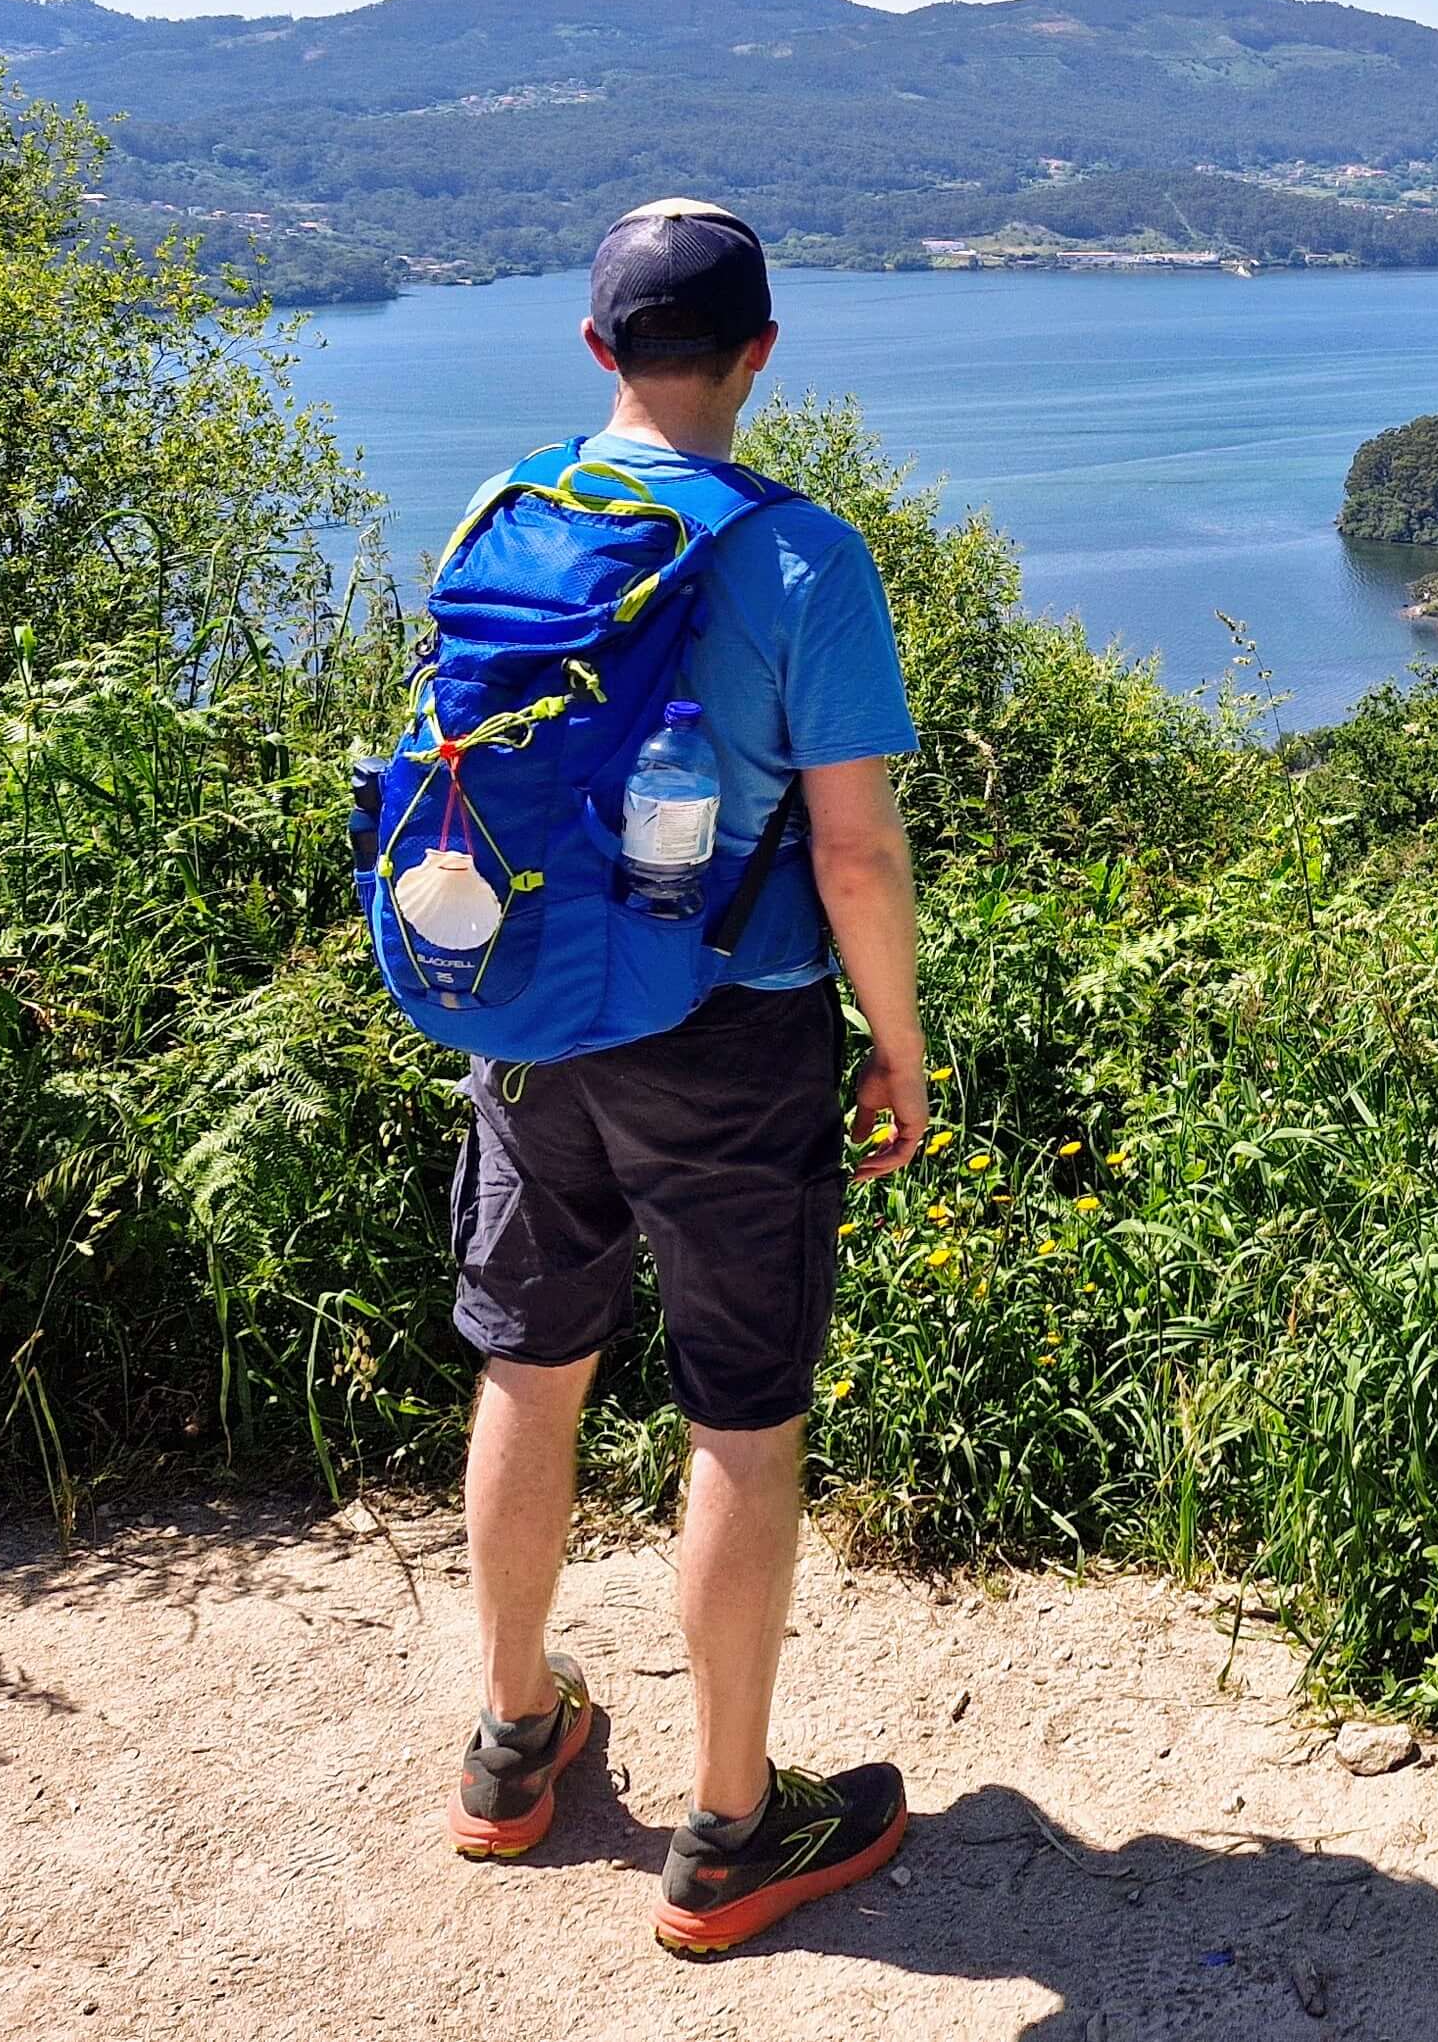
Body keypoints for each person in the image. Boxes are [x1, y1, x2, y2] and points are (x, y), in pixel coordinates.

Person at [440, 197, 928, 1957]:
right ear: (762, 355)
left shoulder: (505, 511)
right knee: (742, 1413)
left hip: (530, 1021)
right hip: (730, 1035)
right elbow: (858, 856)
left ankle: (511, 1743)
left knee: (531, 1361)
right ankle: (731, 1832)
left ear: (597, 354)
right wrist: (898, 1042)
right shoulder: (801, 559)